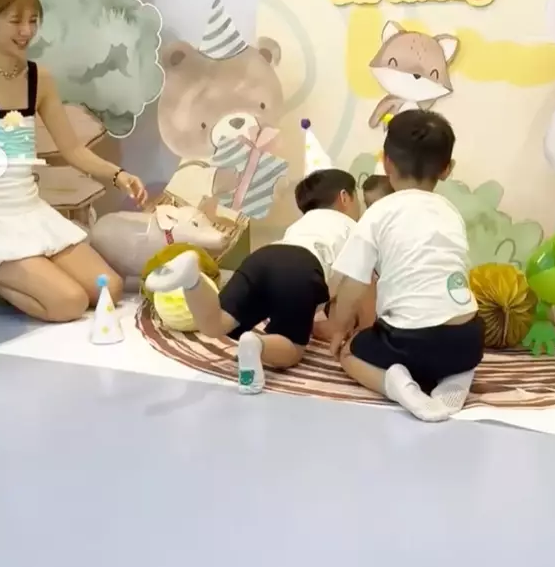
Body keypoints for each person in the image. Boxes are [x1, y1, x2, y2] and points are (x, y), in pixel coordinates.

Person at [0, 0, 148, 321]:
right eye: (16, 21)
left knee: (110, 288)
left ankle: (24, 269)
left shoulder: (39, 79)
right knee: (68, 303)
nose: (26, 31)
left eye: (33, 20)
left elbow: (73, 149)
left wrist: (118, 174)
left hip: (28, 212)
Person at [145, 168, 361, 393]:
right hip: (302, 266)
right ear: (345, 197)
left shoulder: (303, 223)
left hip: (264, 257)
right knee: (292, 349)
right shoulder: (356, 229)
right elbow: (356, 289)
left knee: (215, 323)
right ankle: (257, 344)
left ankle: (193, 280)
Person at [331, 110, 484, 423]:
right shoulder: (450, 212)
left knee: (350, 352)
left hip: (408, 342)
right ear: (447, 169)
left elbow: (353, 286)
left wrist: (339, 330)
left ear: (386, 162)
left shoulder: (378, 213)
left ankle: (397, 385)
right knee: (452, 345)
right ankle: (457, 375)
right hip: (468, 339)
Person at [312, 174, 394, 342]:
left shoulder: (395, 231)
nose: (370, 212)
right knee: (353, 276)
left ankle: (360, 330)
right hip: (354, 297)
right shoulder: (364, 230)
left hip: (388, 302)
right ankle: (344, 328)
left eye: (376, 205)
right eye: (367, 205)